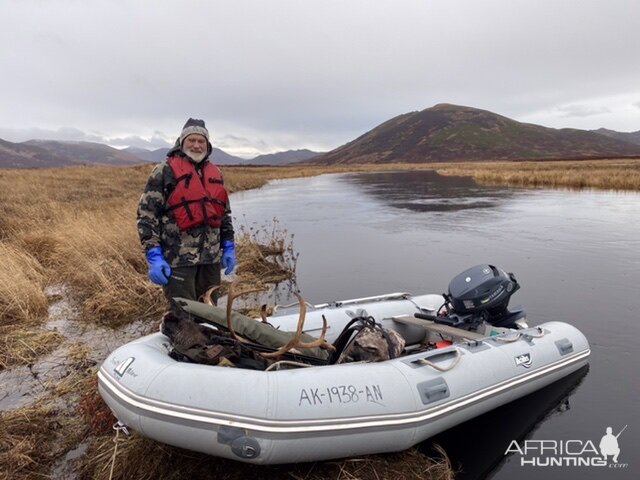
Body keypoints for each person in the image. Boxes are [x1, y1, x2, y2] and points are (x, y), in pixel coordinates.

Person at [137, 118, 236, 310]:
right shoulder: (164, 171)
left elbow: (224, 214)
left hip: (211, 261)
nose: (197, 145)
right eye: (192, 140)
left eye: (201, 141)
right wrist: (154, 255)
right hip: (178, 260)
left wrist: (229, 245)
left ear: (208, 145)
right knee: (184, 316)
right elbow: (147, 215)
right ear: (182, 142)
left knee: (211, 312)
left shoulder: (215, 172)